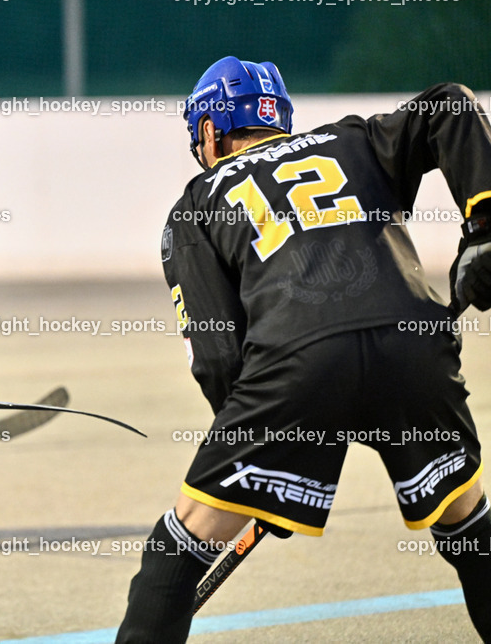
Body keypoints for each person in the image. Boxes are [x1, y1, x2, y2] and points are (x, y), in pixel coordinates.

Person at [116, 56, 491, 642]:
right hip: (415, 348)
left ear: (209, 132)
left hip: (296, 367)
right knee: (470, 527)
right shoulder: (353, 140)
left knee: (181, 542)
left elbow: (218, 357)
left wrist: (266, 474)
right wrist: (485, 230)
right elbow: (451, 104)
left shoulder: (194, 206)